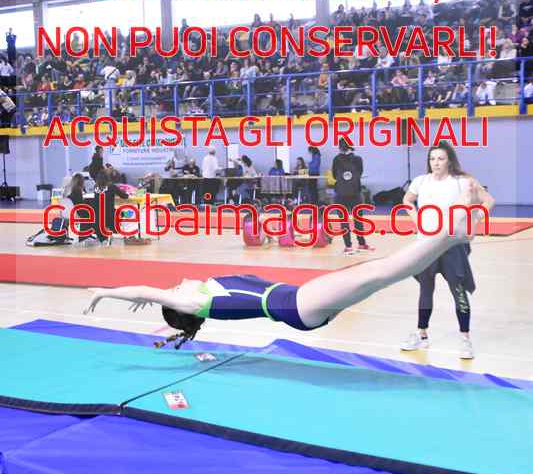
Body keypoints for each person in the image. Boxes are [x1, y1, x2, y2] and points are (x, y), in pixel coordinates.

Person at [84, 182, 482, 348]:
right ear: (181, 305)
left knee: (379, 271)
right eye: (172, 292)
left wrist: (155, 299)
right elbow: (146, 290)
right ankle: (450, 234)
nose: (177, 283)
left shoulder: (200, 293)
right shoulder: (195, 301)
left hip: (300, 303)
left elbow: (152, 293)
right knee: (380, 272)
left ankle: (449, 238)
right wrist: (105, 292)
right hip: (297, 305)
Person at [400, 141, 495, 360]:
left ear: (449, 161)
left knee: (458, 291)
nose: (436, 163)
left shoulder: (462, 182)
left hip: (452, 246)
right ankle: (422, 334)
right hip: (427, 244)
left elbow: (488, 200)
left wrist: (474, 221)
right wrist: (416, 218)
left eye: (441, 159)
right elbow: (407, 200)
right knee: (425, 290)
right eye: (432, 159)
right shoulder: (421, 181)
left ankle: (465, 338)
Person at [332, 139, 374, 254]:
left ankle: (348, 246)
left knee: (344, 221)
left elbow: (334, 176)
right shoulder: (357, 159)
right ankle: (361, 243)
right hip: (355, 193)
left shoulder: (336, 159)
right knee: (358, 220)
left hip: (341, 194)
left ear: (339, 147)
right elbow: (359, 174)